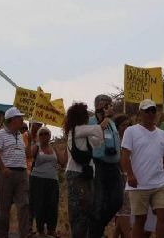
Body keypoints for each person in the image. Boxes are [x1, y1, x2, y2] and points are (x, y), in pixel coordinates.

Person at [121, 99, 164, 238]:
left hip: (159, 183)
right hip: (138, 184)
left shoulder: (162, 134)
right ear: (140, 113)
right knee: (140, 220)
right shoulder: (131, 131)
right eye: (147, 111)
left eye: (153, 110)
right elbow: (125, 156)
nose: (150, 113)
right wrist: (129, 175)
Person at [64, 102, 103, 238]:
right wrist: (105, 119)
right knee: (79, 210)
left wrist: (100, 126)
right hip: (76, 174)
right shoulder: (76, 130)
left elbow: (99, 141)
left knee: (86, 210)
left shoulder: (83, 133)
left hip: (86, 174)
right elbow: (98, 131)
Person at [0, 107, 32, 238]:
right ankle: (2, 235)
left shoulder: (20, 135)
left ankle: (24, 234)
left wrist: (30, 141)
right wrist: (3, 168)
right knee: (4, 208)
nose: (22, 119)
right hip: (7, 173)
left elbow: (27, 154)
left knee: (24, 204)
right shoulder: (0, 134)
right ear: (12, 120)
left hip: (21, 173)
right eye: (19, 117)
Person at [88, 95, 123, 237]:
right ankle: (96, 233)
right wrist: (105, 118)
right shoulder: (91, 122)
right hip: (99, 166)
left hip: (113, 167)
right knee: (99, 203)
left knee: (117, 201)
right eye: (105, 105)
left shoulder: (112, 124)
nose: (109, 107)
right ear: (97, 106)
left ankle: (97, 229)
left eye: (110, 104)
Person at [30, 126, 67, 237]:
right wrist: (32, 143)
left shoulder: (54, 149)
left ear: (50, 136)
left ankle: (51, 229)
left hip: (52, 180)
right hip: (38, 179)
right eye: (41, 134)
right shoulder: (36, 147)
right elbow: (28, 156)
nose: (44, 136)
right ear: (38, 136)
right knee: (39, 204)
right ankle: (40, 230)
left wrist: (67, 148)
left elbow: (62, 162)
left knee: (52, 205)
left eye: (46, 133)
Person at [112, 114, 132, 238]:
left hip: (130, 178)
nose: (126, 128)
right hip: (118, 178)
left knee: (124, 211)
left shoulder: (132, 139)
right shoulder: (115, 141)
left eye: (128, 125)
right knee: (124, 210)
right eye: (123, 125)